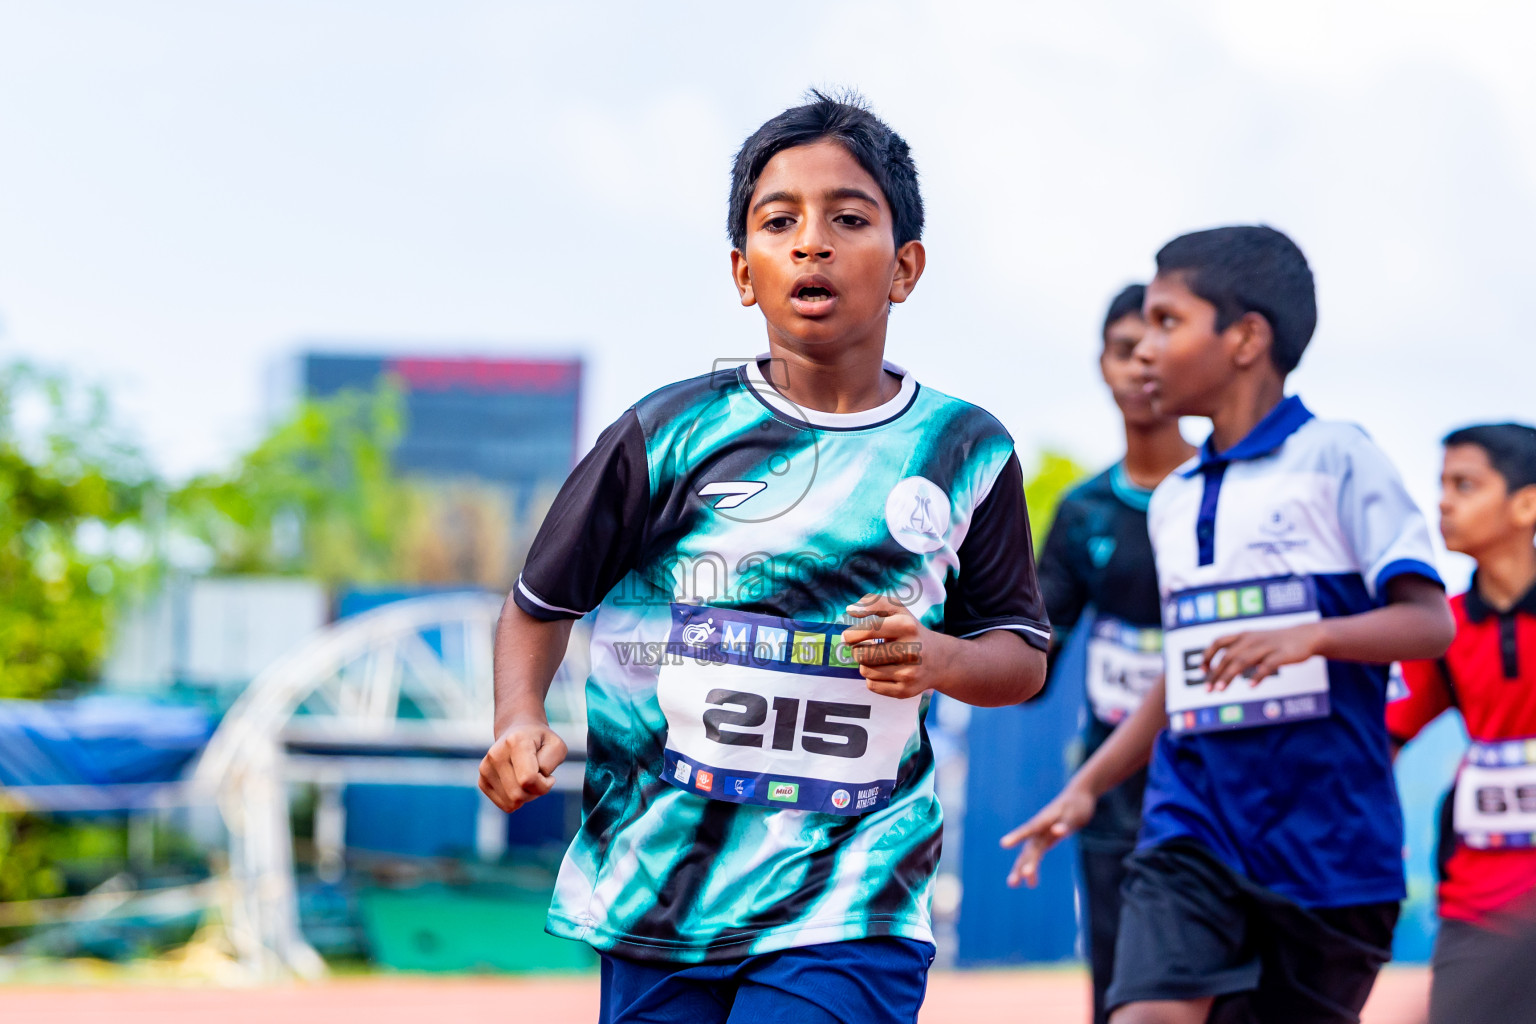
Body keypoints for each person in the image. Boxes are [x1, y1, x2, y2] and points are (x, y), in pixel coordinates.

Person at [477, 91, 1050, 1024]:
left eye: (848, 218)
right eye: (780, 221)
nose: (811, 242)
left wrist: (937, 657)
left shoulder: (965, 452)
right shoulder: (667, 433)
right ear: (745, 273)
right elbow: (540, 603)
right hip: (665, 891)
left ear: (906, 267)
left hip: (854, 893)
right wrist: (516, 717)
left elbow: (1022, 657)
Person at [1002, 225, 1455, 1024]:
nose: (1145, 351)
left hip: (1327, 846)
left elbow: (1427, 626)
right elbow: (1186, 673)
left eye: (1168, 324)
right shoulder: (1175, 501)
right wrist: (1086, 787)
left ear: (1247, 337)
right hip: (1193, 823)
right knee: (1144, 1014)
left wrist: (1312, 635)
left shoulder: (1339, 458)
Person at [1021, 283, 1195, 1024]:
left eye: (1159, 348)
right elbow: (1030, 660)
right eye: (1126, 350)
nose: (1141, 367)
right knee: (1120, 993)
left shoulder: (1225, 495)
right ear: (1103, 364)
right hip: (1114, 792)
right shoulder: (1084, 512)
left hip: (1212, 782)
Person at [1385, 423, 1536, 1024]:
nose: (1443, 501)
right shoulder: (1441, 628)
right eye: (1441, 485)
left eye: (1465, 485)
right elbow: (1381, 741)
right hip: (1475, 906)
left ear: (1527, 504)